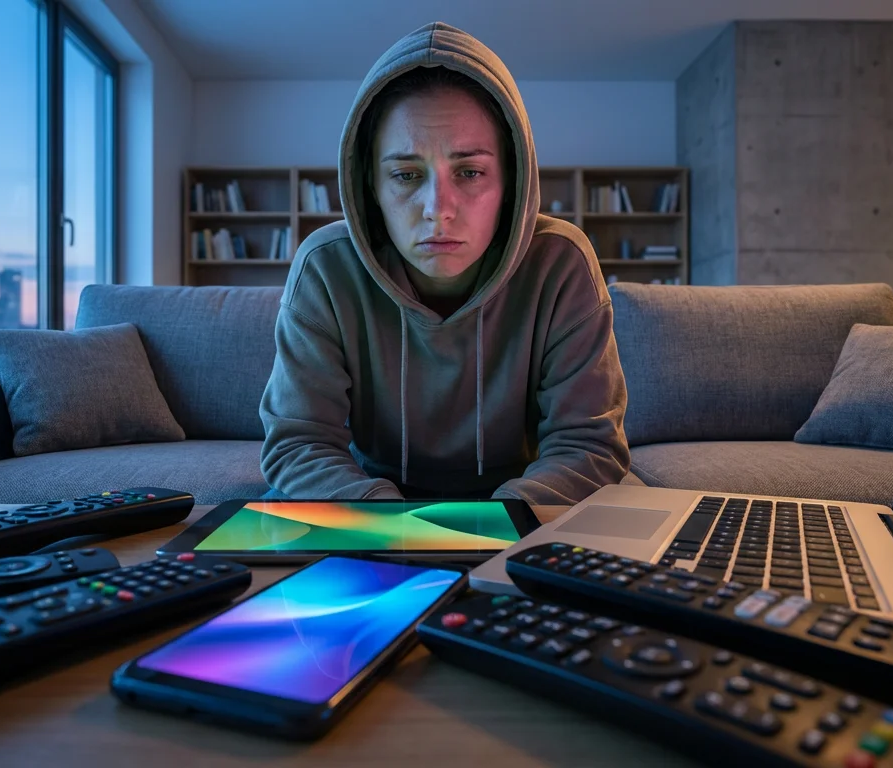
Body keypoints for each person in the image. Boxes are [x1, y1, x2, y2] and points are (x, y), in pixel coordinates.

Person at [258, 21, 630, 505]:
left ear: (511, 182)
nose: (439, 207)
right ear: (370, 184)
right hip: (371, 508)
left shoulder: (562, 264)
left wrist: (495, 529)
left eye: (470, 171)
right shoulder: (325, 270)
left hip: (528, 510)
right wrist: (393, 529)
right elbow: (299, 442)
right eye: (407, 175)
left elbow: (587, 445)